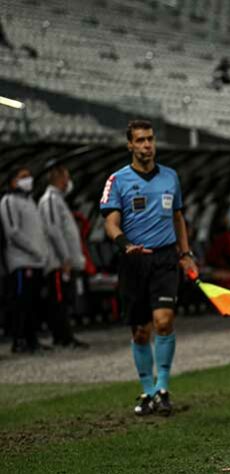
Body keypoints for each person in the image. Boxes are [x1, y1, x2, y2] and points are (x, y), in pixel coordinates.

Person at [100, 120, 198, 416]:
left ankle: (163, 387)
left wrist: (186, 253)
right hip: (134, 260)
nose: (146, 145)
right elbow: (110, 222)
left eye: (150, 139)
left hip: (166, 258)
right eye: (140, 140)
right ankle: (148, 390)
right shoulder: (117, 180)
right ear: (130, 144)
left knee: (164, 321)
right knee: (140, 332)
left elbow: (178, 218)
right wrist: (124, 243)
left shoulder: (170, 177)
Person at [38, 162, 89, 348]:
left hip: (64, 261)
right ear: (58, 178)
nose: (69, 181)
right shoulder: (50, 199)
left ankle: (65, 335)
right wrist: (65, 258)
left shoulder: (58, 200)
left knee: (65, 299)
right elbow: (53, 230)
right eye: (66, 177)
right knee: (58, 300)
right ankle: (62, 337)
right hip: (58, 261)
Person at [1, 167, 51, 353]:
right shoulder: (8, 201)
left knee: (33, 302)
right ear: (13, 181)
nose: (28, 179)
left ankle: (32, 339)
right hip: (21, 261)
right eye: (23, 177)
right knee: (21, 302)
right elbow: (12, 231)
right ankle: (19, 339)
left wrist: (42, 253)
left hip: (36, 260)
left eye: (29, 176)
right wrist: (34, 249)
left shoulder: (30, 201)